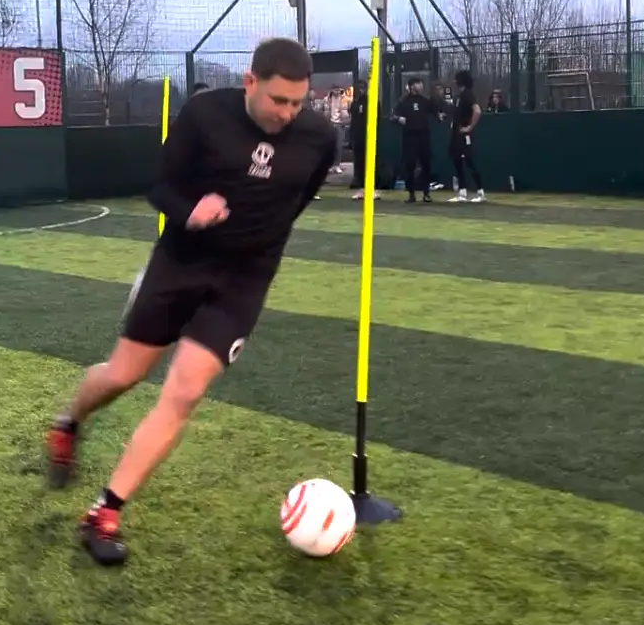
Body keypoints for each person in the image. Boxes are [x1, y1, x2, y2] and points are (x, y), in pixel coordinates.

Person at [45, 38, 337, 566]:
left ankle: (104, 512)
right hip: (180, 263)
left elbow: (297, 199)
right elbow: (160, 188)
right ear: (250, 82)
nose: (287, 114)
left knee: (183, 392)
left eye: (297, 103)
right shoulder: (206, 113)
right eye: (277, 100)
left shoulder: (320, 138)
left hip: (244, 281)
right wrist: (191, 213)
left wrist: (257, 240)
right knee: (122, 375)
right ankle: (67, 422)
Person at [393, 78, 437, 203]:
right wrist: (398, 119)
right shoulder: (404, 101)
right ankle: (411, 194)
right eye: (418, 84)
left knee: (426, 165)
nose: (421, 86)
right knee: (410, 166)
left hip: (423, 136)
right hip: (409, 137)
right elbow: (393, 114)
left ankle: (426, 193)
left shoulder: (425, 101)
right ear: (412, 86)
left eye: (421, 83)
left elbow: (436, 110)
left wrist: (440, 114)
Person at [448, 69, 485, 204]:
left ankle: (480, 192)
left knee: (469, 161)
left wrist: (469, 127)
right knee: (457, 161)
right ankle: (462, 193)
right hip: (456, 134)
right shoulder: (459, 96)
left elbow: (477, 111)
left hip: (464, 135)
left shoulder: (468, 94)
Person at [348, 80, 379, 201]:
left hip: (369, 136)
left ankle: (373, 189)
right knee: (359, 163)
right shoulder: (355, 103)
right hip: (358, 137)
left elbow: (377, 117)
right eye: (358, 87)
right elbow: (353, 120)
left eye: (362, 88)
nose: (360, 90)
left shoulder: (371, 101)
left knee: (370, 162)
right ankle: (361, 189)